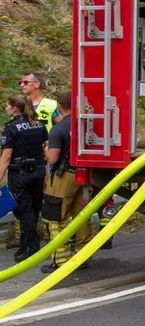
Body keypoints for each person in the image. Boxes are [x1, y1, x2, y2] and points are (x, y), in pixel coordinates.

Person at [41, 91, 93, 272]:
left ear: (59, 107)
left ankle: (60, 261)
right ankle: (83, 256)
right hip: (83, 173)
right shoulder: (84, 123)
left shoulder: (58, 129)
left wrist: (47, 149)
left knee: (55, 216)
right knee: (81, 215)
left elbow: (53, 158)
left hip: (63, 176)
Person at [1, 95, 49, 261]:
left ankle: (32, 247)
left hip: (20, 174)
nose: (5, 108)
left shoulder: (11, 128)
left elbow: (6, 158)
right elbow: (46, 146)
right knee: (34, 209)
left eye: (7, 105)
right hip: (39, 171)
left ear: (15, 108)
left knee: (23, 211)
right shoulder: (38, 124)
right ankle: (25, 244)